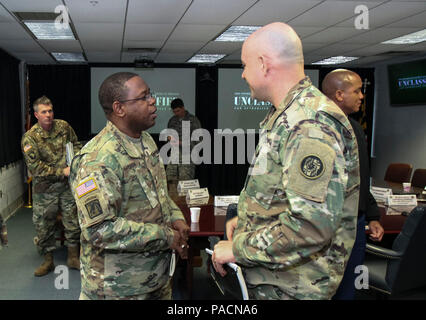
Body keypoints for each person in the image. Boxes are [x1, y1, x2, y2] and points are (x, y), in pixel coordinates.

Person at [212, 22, 360, 300]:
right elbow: (279, 195)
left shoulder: (309, 122)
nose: (243, 75)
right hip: (275, 279)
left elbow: (311, 226)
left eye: (244, 65)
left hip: (293, 287)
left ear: (264, 64)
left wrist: (237, 248)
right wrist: (245, 222)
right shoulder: (288, 115)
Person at [69, 72, 190, 300]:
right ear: (119, 108)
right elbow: (98, 230)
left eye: (150, 94)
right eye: (143, 97)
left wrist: (176, 217)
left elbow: (158, 194)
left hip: (155, 279)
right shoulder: (98, 159)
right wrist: (165, 236)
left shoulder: (145, 140)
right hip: (117, 289)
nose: (152, 101)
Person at [322, 69, 385, 299]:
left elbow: (359, 177)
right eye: (356, 91)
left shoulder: (355, 127)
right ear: (339, 94)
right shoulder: (319, 128)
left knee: (349, 287)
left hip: (356, 223)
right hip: (329, 226)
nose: (361, 96)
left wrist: (372, 215)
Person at [21, 96, 81, 276]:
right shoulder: (30, 138)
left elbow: (76, 145)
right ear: (36, 115)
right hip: (44, 190)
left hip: (67, 187)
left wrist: (75, 162)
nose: (48, 115)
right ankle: (48, 261)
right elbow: (36, 168)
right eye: (44, 112)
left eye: (50, 111)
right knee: (44, 226)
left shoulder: (63, 127)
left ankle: (73, 257)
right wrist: (61, 171)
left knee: (72, 222)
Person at [166, 98, 201, 189]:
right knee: (170, 181)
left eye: (178, 111)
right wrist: (169, 137)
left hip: (187, 157)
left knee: (185, 184)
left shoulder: (193, 120)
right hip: (173, 155)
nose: (176, 113)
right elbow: (168, 135)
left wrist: (181, 143)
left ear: (183, 108)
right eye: (174, 112)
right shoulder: (172, 120)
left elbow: (199, 140)